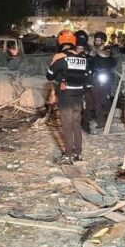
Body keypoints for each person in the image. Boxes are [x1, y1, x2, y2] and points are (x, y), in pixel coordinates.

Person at [46, 29, 89, 163]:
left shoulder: (60, 57)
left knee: (67, 125)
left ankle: (68, 155)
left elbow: (49, 75)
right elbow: (88, 77)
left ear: (60, 42)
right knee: (76, 124)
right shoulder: (83, 59)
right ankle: (78, 153)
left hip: (66, 96)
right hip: (79, 96)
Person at [87, 31, 114, 131]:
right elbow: (90, 56)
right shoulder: (93, 51)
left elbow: (105, 55)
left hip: (106, 76)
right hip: (95, 76)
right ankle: (100, 120)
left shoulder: (108, 50)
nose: (96, 42)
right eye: (95, 40)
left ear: (103, 41)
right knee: (96, 99)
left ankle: (107, 116)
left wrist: (95, 50)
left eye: (98, 40)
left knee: (105, 98)